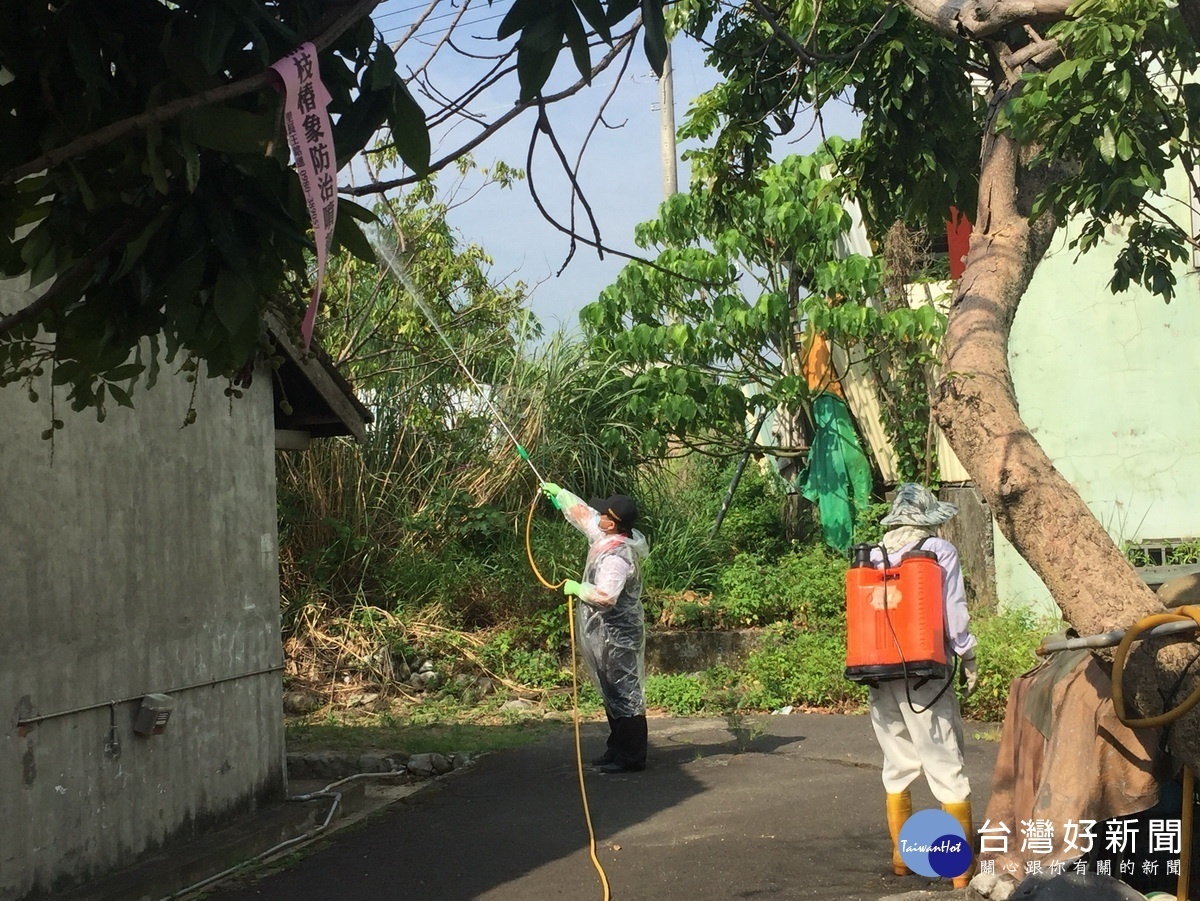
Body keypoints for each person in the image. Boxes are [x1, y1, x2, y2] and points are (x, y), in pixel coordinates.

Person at [868, 483, 979, 887]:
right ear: (927, 519)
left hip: (877, 673)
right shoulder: (937, 552)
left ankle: (901, 858)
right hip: (925, 673)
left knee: (897, 764)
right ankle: (960, 873)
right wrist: (967, 656)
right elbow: (953, 613)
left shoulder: (873, 556)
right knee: (945, 762)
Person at [541, 482, 650, 773]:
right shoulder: (607, 537)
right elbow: (583, 515)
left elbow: (606, 597)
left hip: (618, 635)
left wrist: (577, 588)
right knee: (611, 690)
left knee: (625, 692)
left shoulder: (616, 557)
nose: (598, 515)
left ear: (613, 523)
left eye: (604, 514)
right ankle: (617, 749)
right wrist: (559, 495)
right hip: (605, 633)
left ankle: (631, 757)